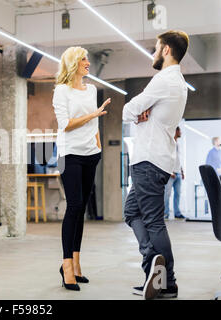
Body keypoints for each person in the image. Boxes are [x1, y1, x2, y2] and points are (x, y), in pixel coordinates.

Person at [122, 30, 189, 299]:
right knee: (131, 211)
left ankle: (167, 281)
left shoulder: (163, 79)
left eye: (155, 48)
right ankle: (154, 267)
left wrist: (139, 114)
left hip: (149, 160)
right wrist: (143, 114)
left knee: (153, 221)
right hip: (158, 160)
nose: (153, 53)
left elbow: (128, 111)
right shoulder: (179, 82)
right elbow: (138, 112)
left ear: (166, 51)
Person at [52, 46, 111, 291]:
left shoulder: (92, 89)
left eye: (88, 58)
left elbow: (94, 123)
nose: (89, 62)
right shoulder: (61, 91)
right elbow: (65, 124)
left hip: (90, 154)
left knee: (82, 208)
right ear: (74, 63)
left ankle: (76, 264)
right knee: (74, 206)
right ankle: (66, 266)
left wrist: (97, 146)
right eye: (84, 59)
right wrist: (93, 114)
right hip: (69, 154)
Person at [164, 127, 185, 219]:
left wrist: (182, 171)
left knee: (178, 194)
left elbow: (177, 159)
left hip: (178, 173)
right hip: (170, 174)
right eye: (179, 130)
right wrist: (169, 171)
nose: (181, 132)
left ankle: (177, 213)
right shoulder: (169, 143)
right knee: (167, 194)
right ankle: (165, 213)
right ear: (175, 131)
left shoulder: (177, 144)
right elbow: (166, 158)